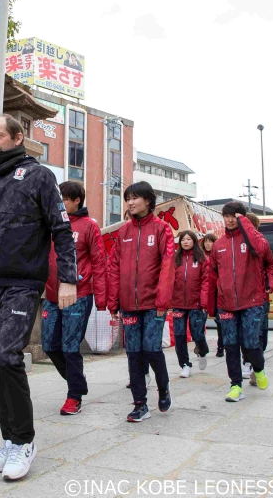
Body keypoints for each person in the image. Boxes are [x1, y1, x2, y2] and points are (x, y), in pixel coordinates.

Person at [0, 115, 77, 481]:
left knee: (9, 357)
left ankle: (24, 441)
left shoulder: (39, 176)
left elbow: (61, 229)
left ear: (18, 137)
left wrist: (68, 280)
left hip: (23, 285)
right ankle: (8, 439)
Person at [107, 181, 174, 422]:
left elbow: (167, 267)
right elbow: (113, 267)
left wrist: (162, 301)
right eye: (128, 199)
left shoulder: (162, 229)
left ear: (148, 200)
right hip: (129, 305)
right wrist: (112, 302)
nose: (131, 203)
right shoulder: (123, 232)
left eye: (135, 198)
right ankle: (140, 404)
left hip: (154, 304)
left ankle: (164, 388)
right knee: (133, 353)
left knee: (151, 349)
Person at [43, 181, 107, 415]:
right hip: (51, 294)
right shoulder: (51, 224)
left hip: (78, 295)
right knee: (49, 344)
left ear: (76, 200)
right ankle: (77, 382)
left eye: (64, 199)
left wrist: (102, 299)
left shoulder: (89, 226)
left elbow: (100, 263)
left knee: (70, 347)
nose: (60, 203)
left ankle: (74, 396)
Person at [207, 201, 270, 402]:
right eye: (226, 216)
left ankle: (258, 370)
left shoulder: (254, 240)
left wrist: (246, 225)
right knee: (231, 345)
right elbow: (213, 275)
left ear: (242, 217)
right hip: (226, 304)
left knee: (251, 343)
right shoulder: (218, 245)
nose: (229, 219)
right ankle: (235, 386)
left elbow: (262, 251)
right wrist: (211, 304)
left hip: (251, 301)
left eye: (234, 215)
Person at [171, 230, 209, 378]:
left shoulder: (201, 258)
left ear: (194, 241)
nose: (185, 242)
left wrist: (203, 301)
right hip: (178, 303)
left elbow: (205, 281)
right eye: (183, 239)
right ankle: (185, 364)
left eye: (188, 239)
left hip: (196, 304)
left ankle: (202, 351)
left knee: (197, 333)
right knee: (179, 335)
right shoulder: (175, 258)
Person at [244, 213, 273, 387]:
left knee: (259, 333)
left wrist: (270, 284)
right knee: (245, 333)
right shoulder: (234, 244)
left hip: (260, 297)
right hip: (241, 298)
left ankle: (257, 365)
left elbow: (271, 266)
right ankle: (247, 363)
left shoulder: (262, 243)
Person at [201, 232, 224, 358]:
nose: (208, 244)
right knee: (200, 322)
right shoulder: (200, 257)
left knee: (220, 321)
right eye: (206, 241)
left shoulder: (219, 256)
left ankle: (221, 346)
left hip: (217, 293)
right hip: (204, 293)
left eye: (210, 241)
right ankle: (201, 346)